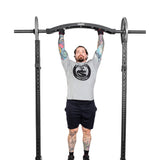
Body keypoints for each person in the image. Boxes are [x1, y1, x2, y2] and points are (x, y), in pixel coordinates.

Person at [58, 28, 104, 160]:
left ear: (86, 55)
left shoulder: (93, 64)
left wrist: (100, 34)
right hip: (72, 104)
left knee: (87, 131)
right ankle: (71, 156)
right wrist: (61, 35)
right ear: (75, 56)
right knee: (72, 131)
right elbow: (62, 52)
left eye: (83, 51)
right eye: (78, 51)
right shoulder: (68, 65)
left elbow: (100, 50)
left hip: (88, 104)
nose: (80, 53)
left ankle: (86, 155)